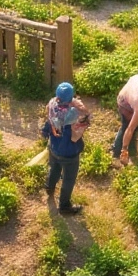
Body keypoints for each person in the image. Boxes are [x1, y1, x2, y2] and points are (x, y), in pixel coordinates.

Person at [41, 82, 90, 215]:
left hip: (54, 148)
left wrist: (45, 132)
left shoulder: (52, 104)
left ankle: (49, 188)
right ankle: (64, 205)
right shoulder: (73, 113)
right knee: (68, 179)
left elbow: (48, 121)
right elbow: (86, 119)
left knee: (54, 169)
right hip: (70, 152)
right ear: (70, 98)